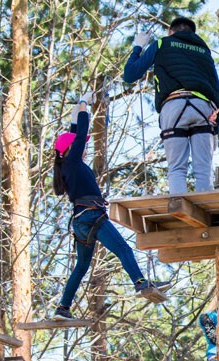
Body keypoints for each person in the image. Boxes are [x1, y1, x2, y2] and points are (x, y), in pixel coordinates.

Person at [52, 94, 171, 321]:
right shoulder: (74, 162)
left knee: (81, 266)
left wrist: (77, 111)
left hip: (82, 222)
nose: (84, 149)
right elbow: (78, 135)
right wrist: (86, 106)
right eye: (79, 146)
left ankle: (63, 308)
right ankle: (139, 283)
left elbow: (73, 133)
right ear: (71, 150)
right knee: (124, 250)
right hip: (92, 217)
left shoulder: (67, 166)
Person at [123, 17, 219, 194]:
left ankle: (178, 204)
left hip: (174, 106)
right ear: (192, 33)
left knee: (177, 168)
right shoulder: (204, 51)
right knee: (204, 170)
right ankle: (207, 211)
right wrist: (216, 126)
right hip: (203, 109)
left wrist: (139, 47)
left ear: (171, 32)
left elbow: (130, 74)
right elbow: (218, 89)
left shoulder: (163, 43)